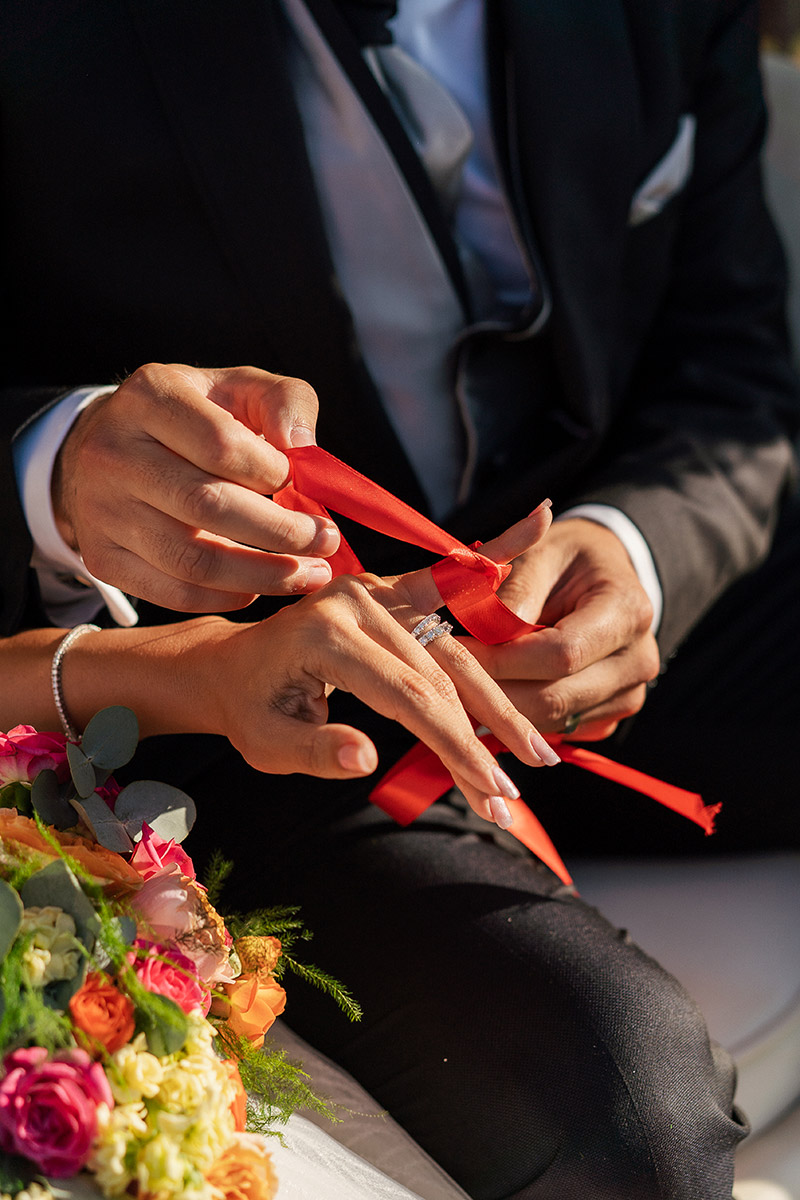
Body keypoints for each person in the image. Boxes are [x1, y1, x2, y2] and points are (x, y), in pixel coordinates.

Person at [2, 1, 799, 1195]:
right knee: (629, 1115)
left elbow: (728, 372)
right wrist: (53, 470)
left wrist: (633, 555)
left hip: (588, 602)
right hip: (253, 697)